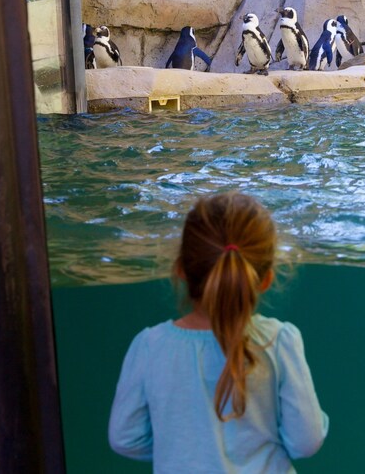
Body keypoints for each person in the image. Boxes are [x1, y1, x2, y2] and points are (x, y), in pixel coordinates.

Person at [108, 192, 328, 472]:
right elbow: (306, 442)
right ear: (266, 278)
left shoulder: (150, 346)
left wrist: (180, 450)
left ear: (181, 270)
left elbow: (124, 438)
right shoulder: (280, 340)